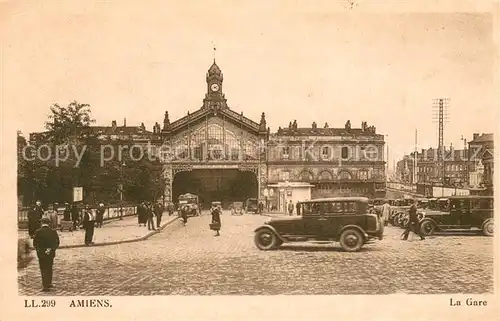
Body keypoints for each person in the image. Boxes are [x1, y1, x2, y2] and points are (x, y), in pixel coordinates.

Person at [33, 217, 60, 292]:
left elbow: (35, 244)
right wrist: (50, 249)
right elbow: (57, 242)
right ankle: (49, 283)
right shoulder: (53, 231)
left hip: (41, 253)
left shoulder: (38, 231)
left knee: (43, 269)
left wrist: (41, 251)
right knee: (49, 267)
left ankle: (45, 286)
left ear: (42, 223)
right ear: (49, 223)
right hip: (50, 253)